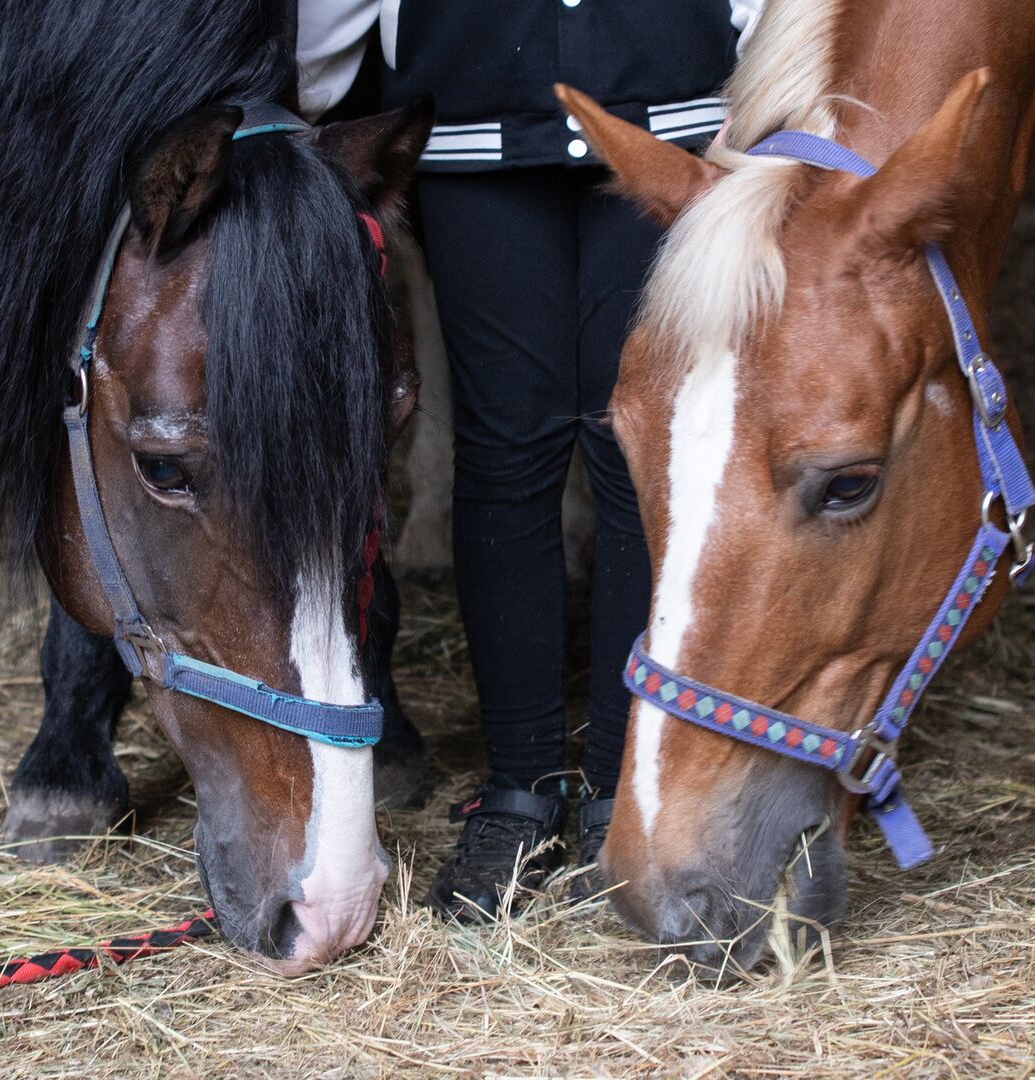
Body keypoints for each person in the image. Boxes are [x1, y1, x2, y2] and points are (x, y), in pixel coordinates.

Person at [298, 0, 762, 921]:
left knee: (638, 449)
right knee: (504, 450)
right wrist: (309, 92)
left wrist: (760, 90)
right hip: (474, 119)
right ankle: (518, 792)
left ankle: (615, 787)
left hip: (667, 119)